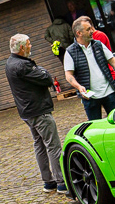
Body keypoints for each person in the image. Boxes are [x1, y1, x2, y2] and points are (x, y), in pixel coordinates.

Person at [5, 34, 68, 194]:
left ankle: (48, 182)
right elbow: (47, 78)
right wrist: (43, 70)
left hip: (27, 112)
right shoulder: (23, 65)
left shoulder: (10, 63)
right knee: (53, 145)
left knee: (39, 145)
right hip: (39, 110)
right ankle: (61, 182)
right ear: (21, 48)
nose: (31, 46)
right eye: (28, 44)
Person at [64, 17, 115, 120]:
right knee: (95, 126)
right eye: (88, 29)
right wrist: (79, 87)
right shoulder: (70, 52)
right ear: (79, 33)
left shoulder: (98, 44)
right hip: (90, 97)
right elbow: (68, 75)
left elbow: (113, 61)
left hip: (110, 92)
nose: (92, 31)